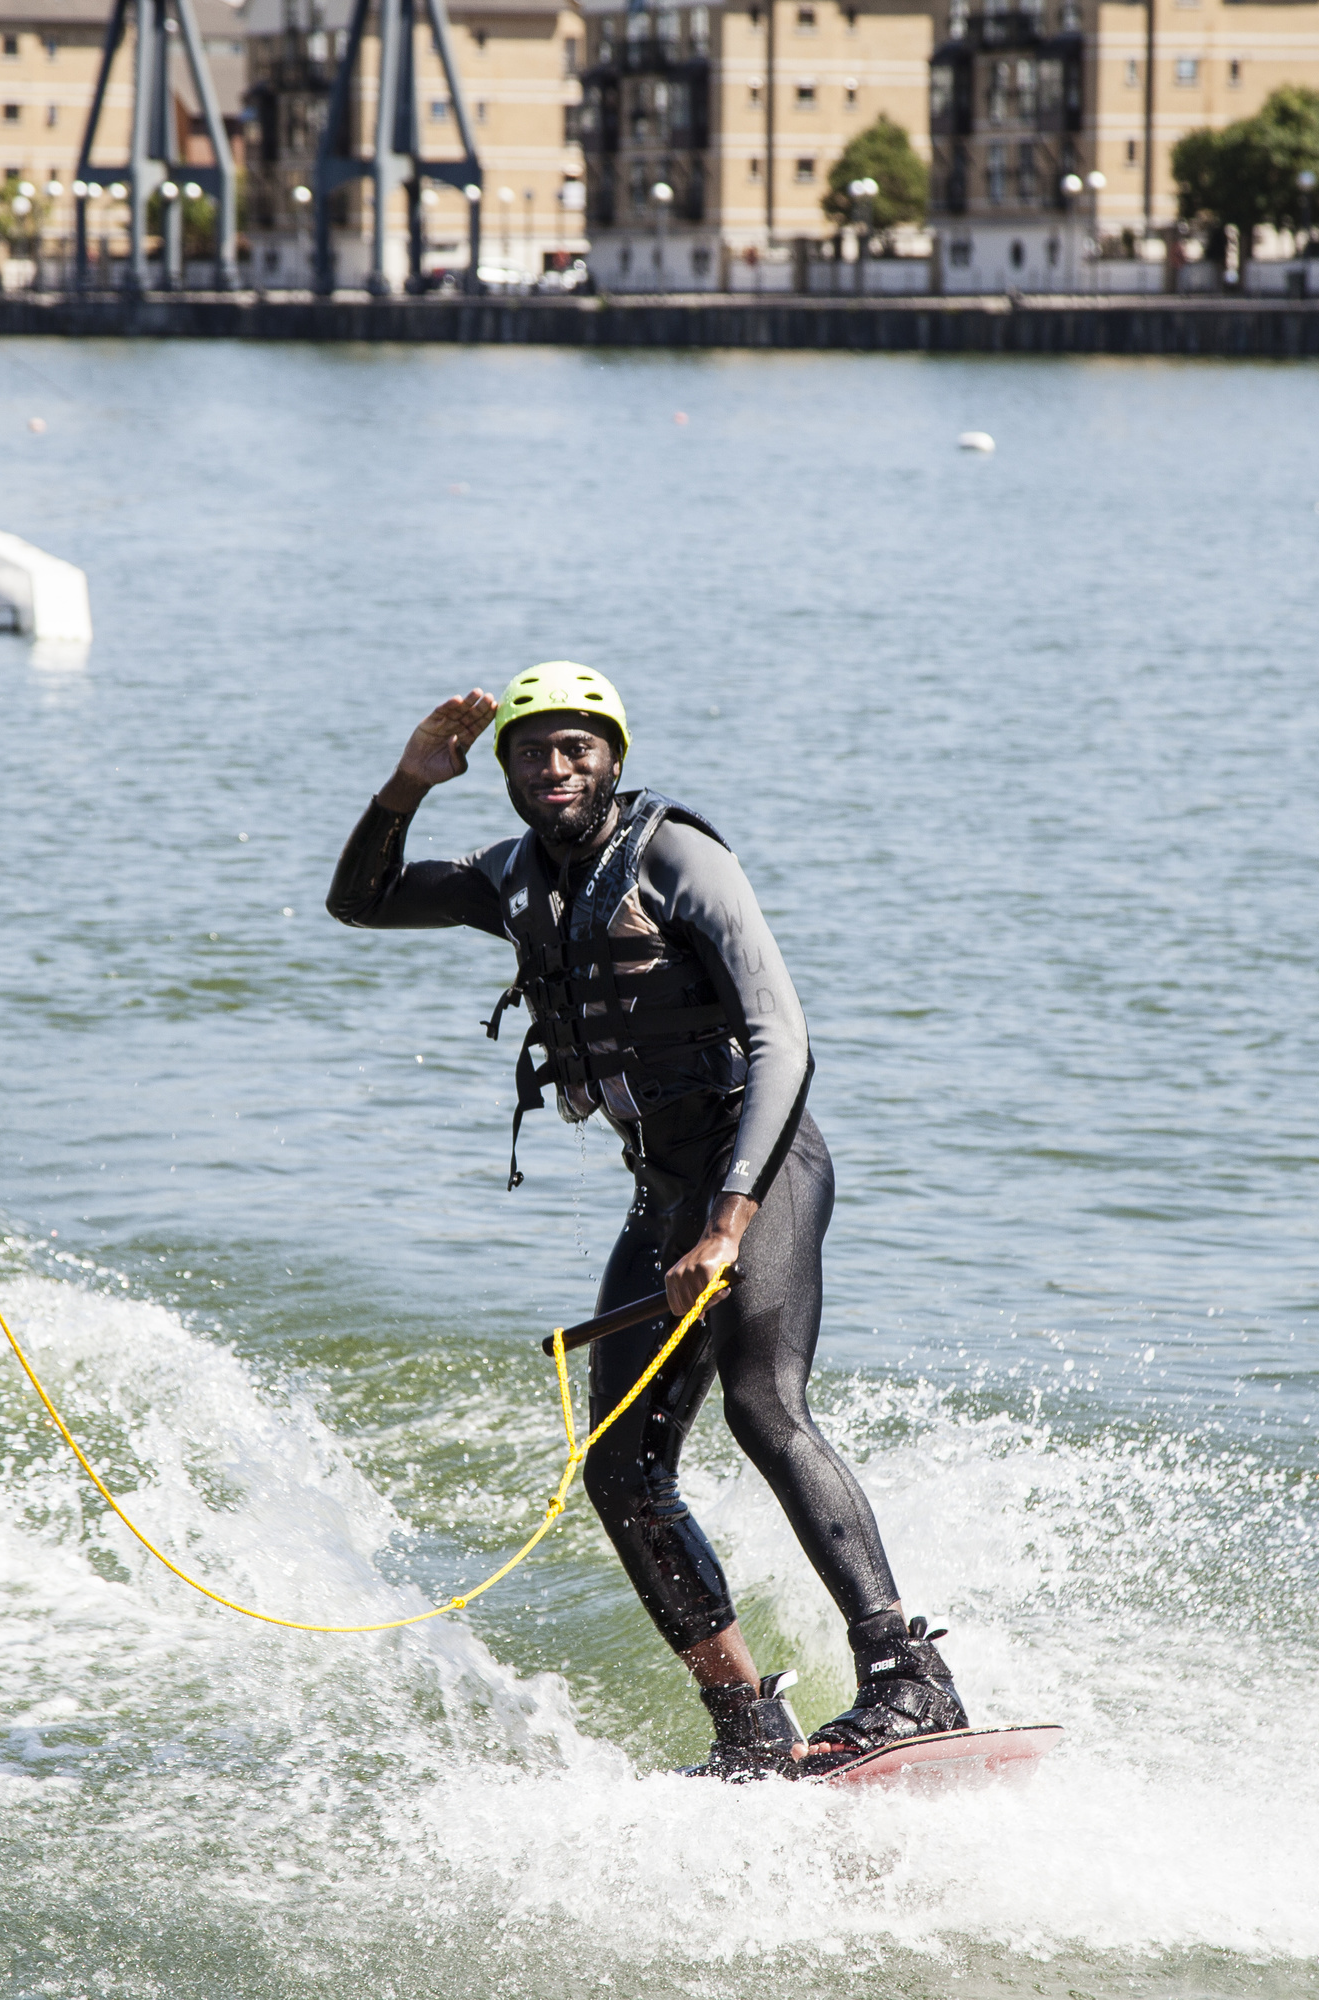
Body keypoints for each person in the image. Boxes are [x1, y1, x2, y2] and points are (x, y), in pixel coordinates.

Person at [325, 664, 965, 1780]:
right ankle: (748, 1722)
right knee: (620, 1466)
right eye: (531, 751)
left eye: (576, 747)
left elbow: (784, 1040)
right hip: (663, 1194)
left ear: (612, 754)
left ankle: (908, 1677)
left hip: (754, 1172)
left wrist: (727, 1221)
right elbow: (362, 900)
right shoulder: (509, 875)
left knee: (766, 1407)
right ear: (510, 770)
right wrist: (405, 784)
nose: (554, 768)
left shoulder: (677, 855)